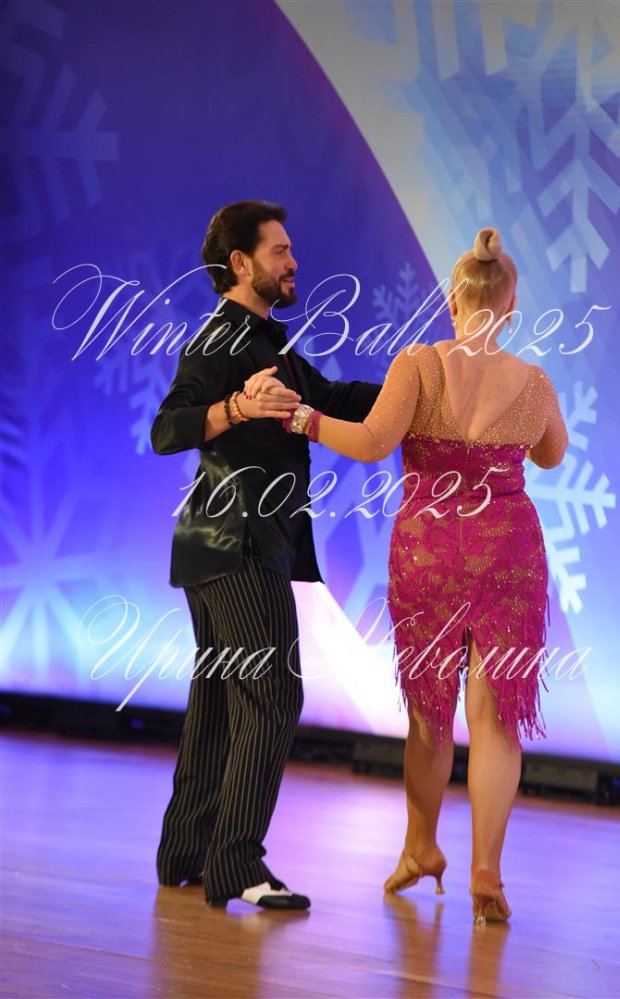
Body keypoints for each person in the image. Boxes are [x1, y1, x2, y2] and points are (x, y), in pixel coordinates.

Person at [279, 227, 568, 923]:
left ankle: (420, 846)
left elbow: (373, 441)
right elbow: (552, 455)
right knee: (496, 720)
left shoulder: (418, 362)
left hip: (430, 552)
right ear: (511, 306)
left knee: (430, 715)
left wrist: (304, 418)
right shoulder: (533, 382)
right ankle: (486, 869)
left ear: (452, 301)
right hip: (508, 554)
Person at [150, 200, 380, 910]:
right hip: (236, 542)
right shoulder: (221, 338)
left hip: (222, 545)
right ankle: (238, 866)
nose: (293, 262)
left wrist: (421, 391)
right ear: (240, 263)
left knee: (223, 701)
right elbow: (167, 428)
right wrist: (237, 410)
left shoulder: (263, 343)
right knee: (274, 694)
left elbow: (334, 397)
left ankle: (186, 852)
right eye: (280, 251)